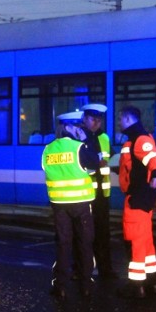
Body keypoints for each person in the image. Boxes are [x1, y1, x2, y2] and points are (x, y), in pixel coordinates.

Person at [42, 111, 99, 300]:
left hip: (59, 205)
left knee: (63, 245)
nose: (80, 130)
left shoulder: (48, 149)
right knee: (85, 244)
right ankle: (86, 285)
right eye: (77, 126)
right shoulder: (79, 148)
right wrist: (87, 140)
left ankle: (61, 286)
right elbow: (94, 165)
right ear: (68, 127)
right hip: (81, 204)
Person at [117, 105, 156, 299]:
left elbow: (154, 160)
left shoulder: (140, 139)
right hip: (142, 197)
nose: (119, 123)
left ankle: (136, 287)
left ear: (128, 120)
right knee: (145, 242)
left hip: (137, 198)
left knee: (134, 241)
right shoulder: (135, 139)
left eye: (120, 119)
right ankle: (151, 282)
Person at [79, 103, 117, 279]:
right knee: (84, 235)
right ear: (85, 119)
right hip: (85, 196)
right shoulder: (78, 138)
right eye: (93, 119)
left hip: (102, 195)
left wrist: (122, 164)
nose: (97, 123)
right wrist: (96, 164)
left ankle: (105, 269)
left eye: (99, 120)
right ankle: (82, 270)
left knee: (103, 234)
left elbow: (112, 158)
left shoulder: (104, 138)